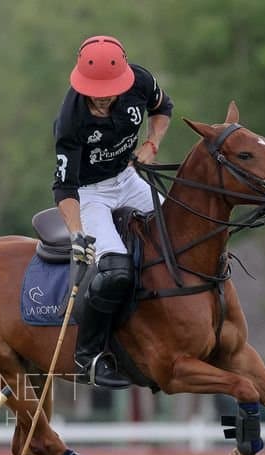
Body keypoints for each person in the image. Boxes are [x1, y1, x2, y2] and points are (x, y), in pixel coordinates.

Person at [52, 36, 172, 388]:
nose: (102, 97)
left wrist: (152, 144)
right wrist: (77, 234)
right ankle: (88, 357)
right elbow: (64, 187)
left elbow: (163, 109)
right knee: (115, 270)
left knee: (177, 235)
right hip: (90, 194)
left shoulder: (141, 82)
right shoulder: (71, 120)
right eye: (95, 90)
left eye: (109, 89)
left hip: (128, 178)